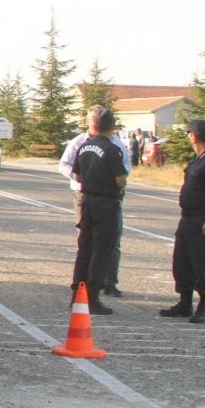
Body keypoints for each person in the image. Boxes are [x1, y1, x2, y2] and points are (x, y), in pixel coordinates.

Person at [58, 109, 133, 297]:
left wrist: (89, 179)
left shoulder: (89, 147)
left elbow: (79, 172)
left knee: (92, 245)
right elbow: (120, 178)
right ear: (112, 126)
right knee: (100, 246)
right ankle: (92, 294)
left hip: (88, 197)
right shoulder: (106, 147)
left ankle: (87, 287)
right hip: (101, 201)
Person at [161, 118, 205, 324]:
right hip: (188, 218)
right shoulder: (198, 159)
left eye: (189, 133)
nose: (188, 136)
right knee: (182, 262)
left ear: (194, 135)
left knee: (202, 263)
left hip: (202, 219)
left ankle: (204, 306)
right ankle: (184, 303)